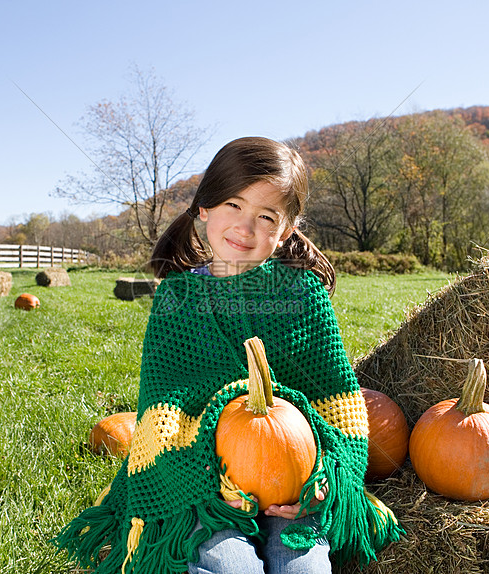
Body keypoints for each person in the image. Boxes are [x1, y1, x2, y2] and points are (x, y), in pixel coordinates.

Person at [52, 136, 402, 574]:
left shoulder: (303, 297)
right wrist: (212, 482)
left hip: (293, 483)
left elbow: (338, 408)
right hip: (201, 479)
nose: (245, 226)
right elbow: (163, 412)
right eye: (234, 205)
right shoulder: (177, 302)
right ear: (204, 207)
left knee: (303, 566)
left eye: (266, 216)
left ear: (286, 231)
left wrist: (323, 481)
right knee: (229, 566)